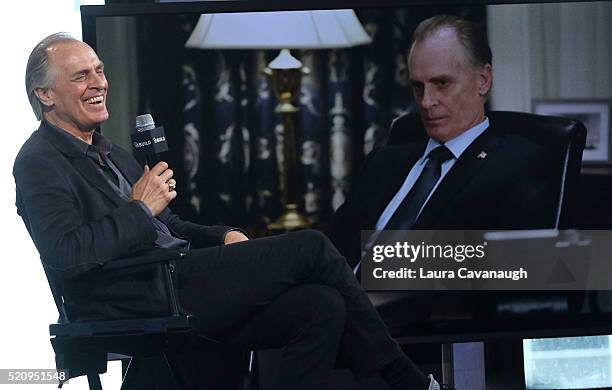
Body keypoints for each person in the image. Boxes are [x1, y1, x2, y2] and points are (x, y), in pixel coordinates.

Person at [14, 33, 445, 390]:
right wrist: (139, 209)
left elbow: (170, 226)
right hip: (140, 294)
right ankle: (405, 379)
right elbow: (67, 254)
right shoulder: (38, 161)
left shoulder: (112, 153)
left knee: (320, 306)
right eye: (80, 75)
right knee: (311, 247)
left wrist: (221, 236)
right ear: (45, 94)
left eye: (100, 70)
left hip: (176, 275)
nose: (98, 82)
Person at [330, 15, 560, 268]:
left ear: (483, 81)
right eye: (418, 87)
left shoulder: (519, 164)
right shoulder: (382, 162)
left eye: (442, 83)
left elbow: (518, 269)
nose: (426, 102)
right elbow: (332, 249)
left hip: (425, 304)